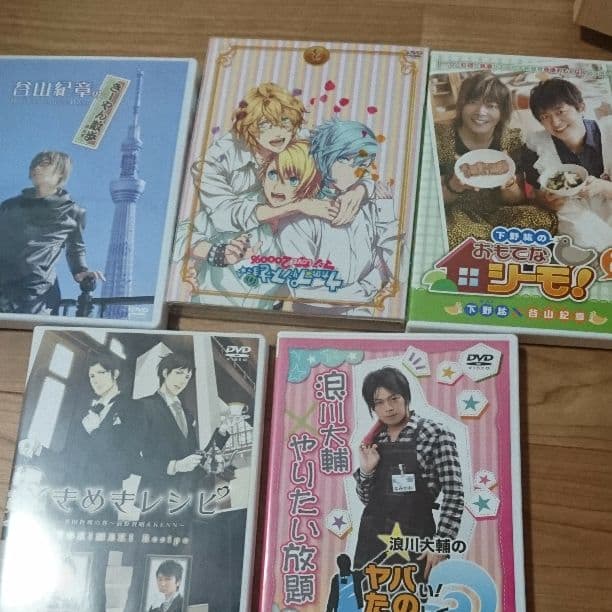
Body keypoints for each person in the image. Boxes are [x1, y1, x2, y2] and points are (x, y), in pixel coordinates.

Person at [182, 83, 364, 309]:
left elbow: (353, 158)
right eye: (265, 124)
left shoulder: (301, 142)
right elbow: (219, 218)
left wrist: (360, 189)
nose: (277, 132)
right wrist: (299, 205)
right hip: (214, 299)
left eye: (284, 122)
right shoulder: (217, 161)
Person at [353, 367, 464, 583]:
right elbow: (368, 501)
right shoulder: (375, 441)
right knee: (366, 598)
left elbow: (454, 493)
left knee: (412, 598)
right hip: (371, 543)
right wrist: (366, 471)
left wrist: (440, 544)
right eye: (379, 402)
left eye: (394, 398)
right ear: (373, 407)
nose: (388, 408)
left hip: (416, 541)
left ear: (406, 397)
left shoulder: (434, 433)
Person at [271, 123, 395, 315]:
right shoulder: (300, 217)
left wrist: (384, 212)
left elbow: (394, 267)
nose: (356, 171)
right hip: (311, 318)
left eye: (363, 164)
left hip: (363, 315)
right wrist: (367, 289)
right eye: (345, 160)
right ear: (325, 156)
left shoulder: (365, 205)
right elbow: (307, 290)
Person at [435, 72, 557, 249]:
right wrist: (453, 186)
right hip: (458, 213)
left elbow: (516, 200)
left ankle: (490, 249)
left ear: (502, 112)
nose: (481, 112)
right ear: (461, 105)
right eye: (473, 102)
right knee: (454, 233)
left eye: (491, 105)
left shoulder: (511, 140)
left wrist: (509, 185)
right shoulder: (441, 138)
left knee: (542, 220)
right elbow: (431, 201)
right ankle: (492, 250)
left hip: (499, 212)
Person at [18, 352, 139, 493]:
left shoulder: (133, 408)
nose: (96, 380)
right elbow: (67, 462)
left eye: (101, 373)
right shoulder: (86, 415)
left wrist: (96, 431)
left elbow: (124, 468)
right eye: (92, 376)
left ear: (115, 374)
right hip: (71, 496)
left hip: (102, 498)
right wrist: (38, 449)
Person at [0, 151, 103, 315]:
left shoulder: (73, 212)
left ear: (61, 173)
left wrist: (81, 271)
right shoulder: (9, 207)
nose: (36, 168)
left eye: (44, 164)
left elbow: (75, 248)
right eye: (35, 164)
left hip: (38, 296)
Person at [522, 77, 612, 252]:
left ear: (581, 107)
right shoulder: (536, 147)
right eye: (545, 117)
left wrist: (603, 187)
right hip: (575, 219)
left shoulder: (609, 132)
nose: (555, 123)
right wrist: (549, 201)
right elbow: (537, 195)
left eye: (560, 111)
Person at [138, 352, 231, 501]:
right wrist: (174, 466)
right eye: (179, 373)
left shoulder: (187, 414)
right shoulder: (143, 406)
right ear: (165, 373)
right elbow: (131, 457)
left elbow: (195, 457)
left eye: (187, 377)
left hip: (187, 495)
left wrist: (220, 433)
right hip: (156, 495)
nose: (182, 381)